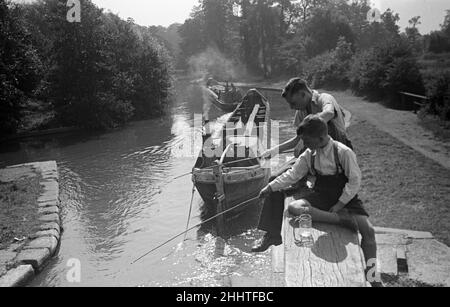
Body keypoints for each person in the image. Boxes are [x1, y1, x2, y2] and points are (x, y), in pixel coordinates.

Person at [253, 115, 378, 282]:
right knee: (294, 208)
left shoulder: (343, 152)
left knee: (368, 233)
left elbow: (355, 181)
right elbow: (292, 174)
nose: (305, 144)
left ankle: (372, 276)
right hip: (321, 195)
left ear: (320, 137)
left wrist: (341, 203)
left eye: (307, 140)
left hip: (345, 198)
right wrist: (269, 187)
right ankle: (340, 220)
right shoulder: (309, 154)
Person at [262, 78, 353, 170]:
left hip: (338, 153)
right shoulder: (300, 111)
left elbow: (329, 113)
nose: (291, 107)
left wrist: (304, 137)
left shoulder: (324, 98)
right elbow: (297, 139)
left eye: (293, 103)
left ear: (303, 94)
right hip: (317, 153)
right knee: (278, 175)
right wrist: (274, 151)